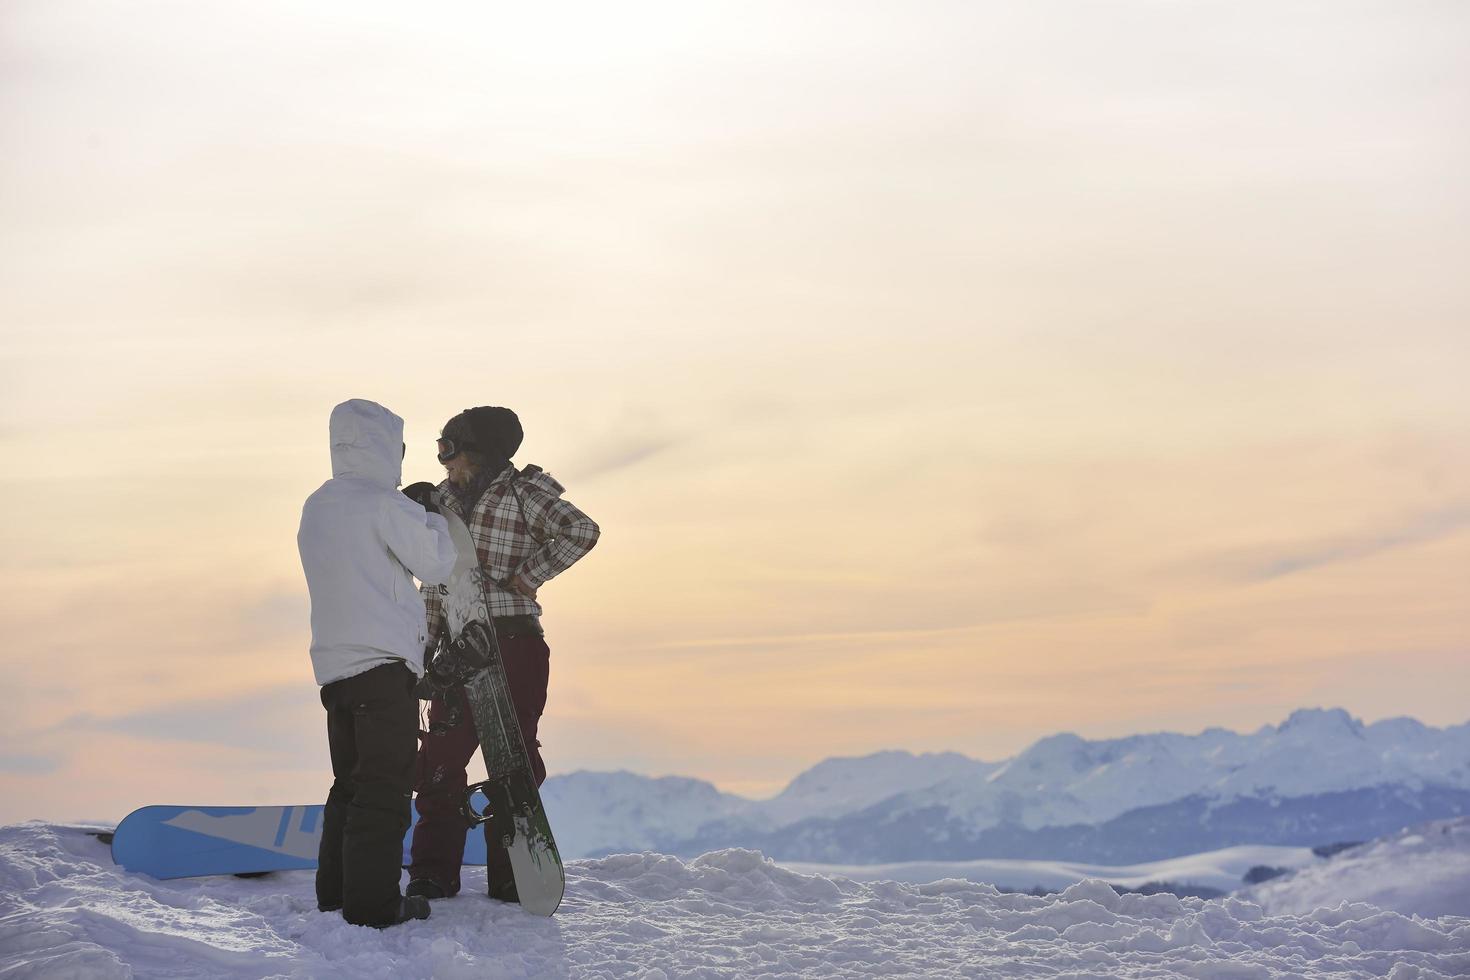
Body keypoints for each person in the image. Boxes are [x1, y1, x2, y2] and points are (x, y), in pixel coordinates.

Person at [406, 405, 600, 903]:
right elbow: (434, 584)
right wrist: (426, 647)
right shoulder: (440, 502)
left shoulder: (525, 495)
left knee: (513, 756)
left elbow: (582, 531)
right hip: (456, 645)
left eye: (450, 449)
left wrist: (526, 577)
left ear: (480, 452)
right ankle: (432, 873)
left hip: (513, 640)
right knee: (441, 760)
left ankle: (513, 870)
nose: (443, 460)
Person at [297, 399, 458, 928]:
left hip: (335, 667)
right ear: (386, 446)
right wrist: (430, 513)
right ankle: (374, 906)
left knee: (349, 783)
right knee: (385, 788)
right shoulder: (382, 502)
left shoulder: (317, 504)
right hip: (383, 666)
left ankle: (336, 895)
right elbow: (436, 563)